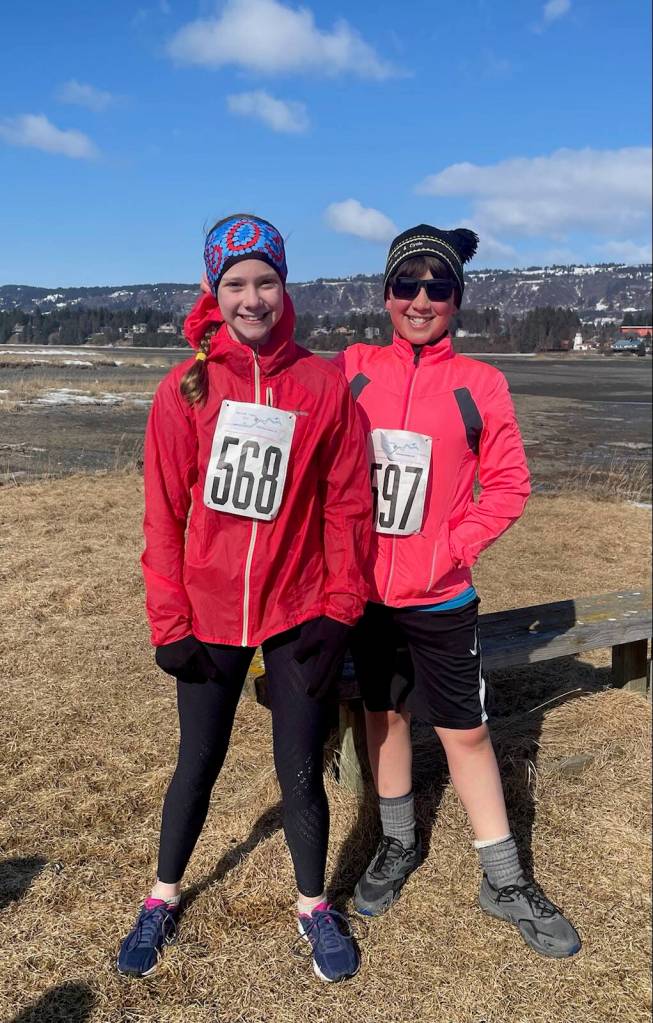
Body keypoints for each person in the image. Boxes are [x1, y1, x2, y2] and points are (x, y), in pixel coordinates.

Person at [117, 214, 372, 983]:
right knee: (196, 761)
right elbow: (162, 513)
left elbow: (347, 505)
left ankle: (313, 904)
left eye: (265, 281)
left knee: (299, 765)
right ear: (213, 288)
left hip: (298, 610)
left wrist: (340, 607)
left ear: (284, 286)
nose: (251, 297)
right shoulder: (185, 387)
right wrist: (169, 620)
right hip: (209, 613)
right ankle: (162, 896)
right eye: (235, 283)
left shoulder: (322, 385)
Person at [334, 224, 581, 959]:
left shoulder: (480, 384)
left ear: (456, 299)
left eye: (437, 286)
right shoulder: (351, 368)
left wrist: (452, 546)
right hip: (366, 595)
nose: (421, 300)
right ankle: (398, 842)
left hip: (441, 597)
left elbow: (508, 484)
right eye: (406, 285)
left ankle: (503, 879)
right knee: (383, 718)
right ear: (385, 295)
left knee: (465, 730)